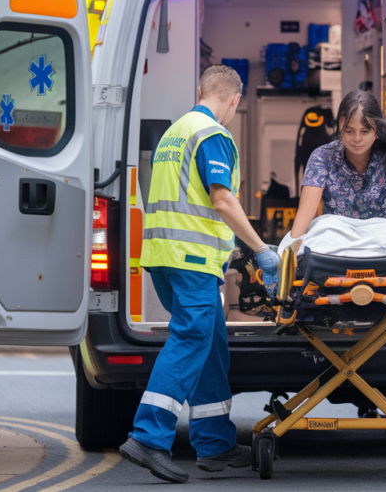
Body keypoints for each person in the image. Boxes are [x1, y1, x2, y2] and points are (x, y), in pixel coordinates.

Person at [120, 65, 281, 484]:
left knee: (210, 346)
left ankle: (215, 445)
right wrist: (261, 249)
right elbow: (222, 199)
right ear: (234, 100)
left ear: (201, 91)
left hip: (163, 256)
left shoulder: (175, 132)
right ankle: (149, 436)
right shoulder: (213, 135)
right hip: (191, 261)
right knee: (191, 339)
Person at [290, 89, 386, 239]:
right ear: (339, 129)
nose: (357, 139)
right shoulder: (322, 157)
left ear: (377, 130)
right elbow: (301, 224)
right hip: (336, 250)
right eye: (349, 131)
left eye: (364, 131)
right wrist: (291, 252)